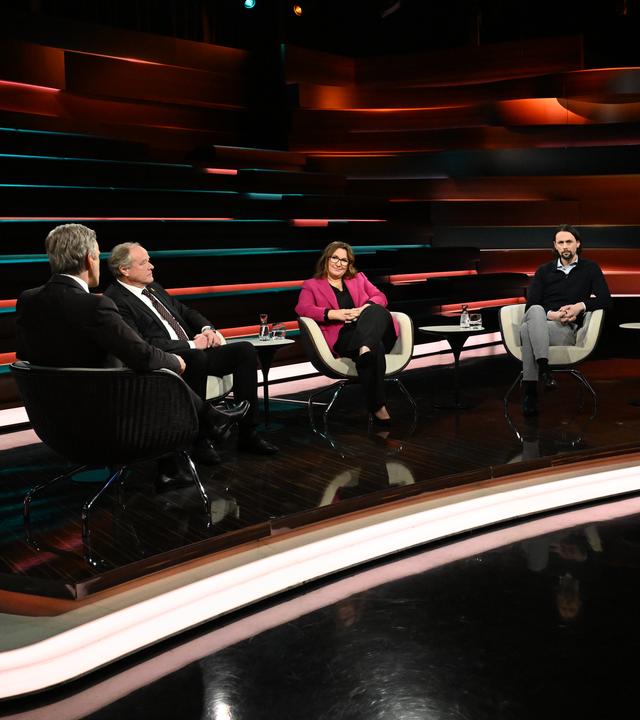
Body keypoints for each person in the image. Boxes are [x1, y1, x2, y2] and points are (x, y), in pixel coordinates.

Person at [15, 223, 248, 485]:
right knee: (160, 374)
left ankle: (196, 437)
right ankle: (202, 430)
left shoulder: (28, 299)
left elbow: (24, 355)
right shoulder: (95, 305)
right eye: (98, 256)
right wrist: (175, 361)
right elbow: (141, 354)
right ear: (89, 259)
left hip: (53, 419)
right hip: (109, 416)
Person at [104, 242, 277, 455]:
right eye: (144, 262)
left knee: (245, 350)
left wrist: (207, 329)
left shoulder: (154, 288)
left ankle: (248, 434)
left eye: (149, 260)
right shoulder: (115, 299)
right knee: (196, 358)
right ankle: (200, 439)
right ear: (124, 269)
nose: (151, 266)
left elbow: (186, 312)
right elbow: (142, 343)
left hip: (196, 351)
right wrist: (192, 344)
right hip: (167, 360)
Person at [295, 241, 399, 424]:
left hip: (370, 327)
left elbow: (380, 296)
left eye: (344, 260)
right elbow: (303, 308)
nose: (339, 263)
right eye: (335, 258)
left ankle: (364, 347)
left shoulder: (359, 278)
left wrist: (364, 309)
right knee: (377, 348)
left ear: (349, 264)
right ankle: (378, 406)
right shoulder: (312, 285)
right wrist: (334, 314)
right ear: (326, 259)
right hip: (344, 335)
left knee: (376, 309)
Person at [520, 224, 612, 416]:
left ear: (578, 244)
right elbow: (530, 306)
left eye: (569, 242)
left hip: (565, 328)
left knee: (526, 331)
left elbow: (606, 300)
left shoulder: (590, 268)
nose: (565, 246)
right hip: (544, 320)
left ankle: (531, 391)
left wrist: (580, 306)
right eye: (560, 242)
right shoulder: (544, 271)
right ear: (555, 246)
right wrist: (553, 314)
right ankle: (544, 368)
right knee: (535, 311)